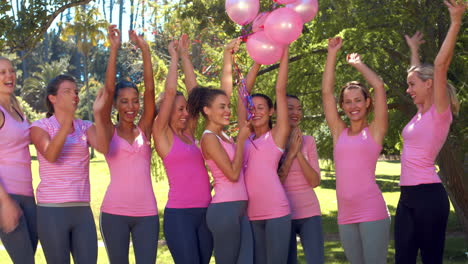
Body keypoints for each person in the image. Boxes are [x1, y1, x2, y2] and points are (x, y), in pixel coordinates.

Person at [395, 2, 465, 263]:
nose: (408, 90)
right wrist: (414, 51)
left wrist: (455, 21)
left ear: (429, 85)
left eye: (412, 85)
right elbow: (417, 76)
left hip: (428, 195)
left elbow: (439, 67)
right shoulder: (420, 113)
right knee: (403, 257)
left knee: (431, 258)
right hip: (407, 196)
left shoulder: (439, 113)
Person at [322, 37, 390, 264]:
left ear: (367, 102)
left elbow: (379, 87)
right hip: (345, 214)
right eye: (348, 102)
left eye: (358, 100)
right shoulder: (338, 131)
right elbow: (326, 93)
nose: (353, 106)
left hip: (372, 211)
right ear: (342, 106)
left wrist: (358, 64)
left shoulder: (375, 131)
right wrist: (332, 53)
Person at [94, 25, 158, 264]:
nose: (130, 107)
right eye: (124, 102)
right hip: (113, 213)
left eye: (134, 101)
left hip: (147, 214)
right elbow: (108, 90)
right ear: (115, 105)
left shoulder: (145, 129)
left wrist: (145, 50)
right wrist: (114, 49)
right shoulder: (109, 131)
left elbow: (151, 90)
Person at [187, 38, 253, 264]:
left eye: (228, 106)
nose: (228, 110)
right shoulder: (209, 138)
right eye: (222, 107)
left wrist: (227, 54)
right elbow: (233, 175)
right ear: (207, 111)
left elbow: (226, 88)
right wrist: (242, 140)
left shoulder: (223, 133)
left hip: (239, 207)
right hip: (224, 210)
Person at [30, 75, 104, 264]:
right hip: (51, 211)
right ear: (52, 98)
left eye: (76, 92)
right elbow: (51, 155)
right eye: (68, 91)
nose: (75, 96)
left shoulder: (85, 127)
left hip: (82, 209)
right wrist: (66, 121)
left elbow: (104, 148)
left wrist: (98, 114)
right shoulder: (40, 126)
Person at [152, 36, 213, 264]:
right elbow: (169, 94)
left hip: (206, 213)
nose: (185, 113)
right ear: (166, 112)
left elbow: (196, 95)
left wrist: (187, 56)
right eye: (179, 109)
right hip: (180, 215)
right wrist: (175, 57)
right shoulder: (162, 134)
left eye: (186, 109)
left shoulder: (189, 134)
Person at [238, 48, 291, 264]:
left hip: (277, 211)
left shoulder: (277, 135)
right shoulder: (245, 136)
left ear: (271, 112)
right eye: (252, 108)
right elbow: (242, 92)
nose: (255, 111)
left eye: (261, 108)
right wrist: (258, 61)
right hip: (252, 214)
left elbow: (280, 89)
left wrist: (285, 51)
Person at [277, 94, 324, 264]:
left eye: (299, 109)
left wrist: (298, 151)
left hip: (310, 212)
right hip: (283, 213)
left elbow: (314, 182)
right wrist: (290, 153)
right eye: (290, 108)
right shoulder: (272, 143)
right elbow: (275, 183)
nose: (296, 112)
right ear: (278, 111)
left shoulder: (309, 141)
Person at [0, 56, 38, 263]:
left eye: (11, 71)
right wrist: (4, 202)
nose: (9, 76)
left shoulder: (16, 107)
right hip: (6, 196)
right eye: (2, 72)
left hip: (27, 195)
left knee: (27, 257)